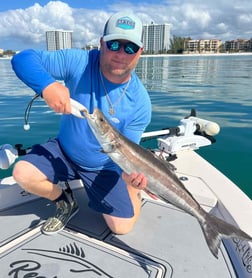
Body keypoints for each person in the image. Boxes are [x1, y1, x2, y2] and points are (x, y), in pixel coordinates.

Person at [11, 11, 152, 235]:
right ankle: (64, 200)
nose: (121, 54)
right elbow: (23, 59)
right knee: (22, 173)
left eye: (130, 48)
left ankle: (132, 192)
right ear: (102, 44)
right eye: (114, 44)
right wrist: (47, 86)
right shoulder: (80, 61)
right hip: (65, 151)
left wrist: (129, 178)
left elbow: (126, 154)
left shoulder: (141, 103)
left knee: (122, 228)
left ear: (140, 52)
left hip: (104, 167)